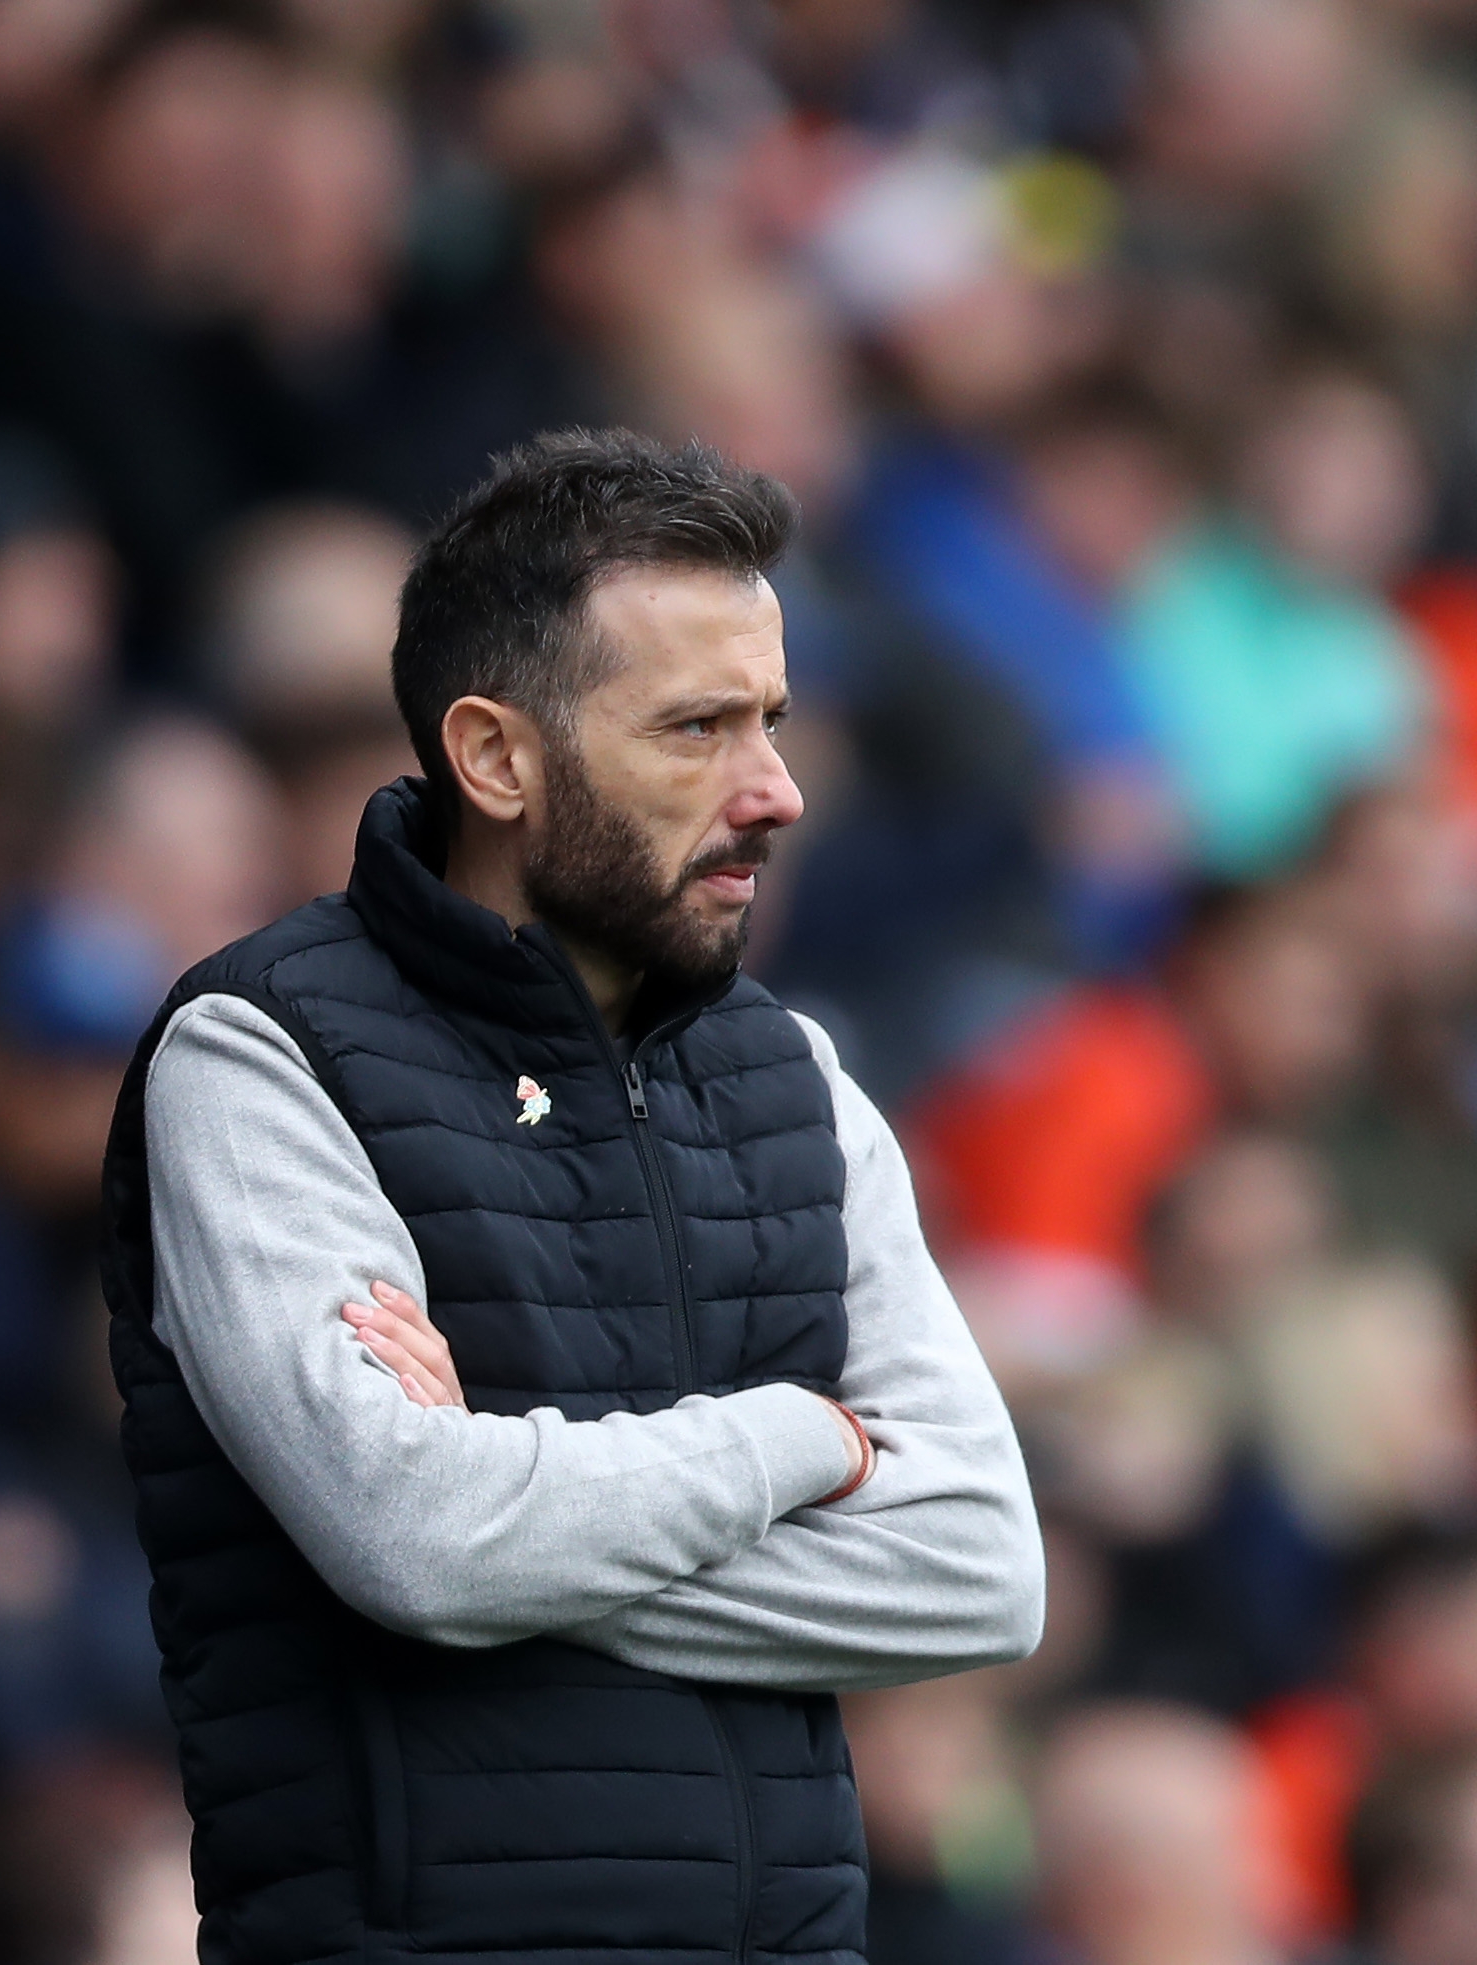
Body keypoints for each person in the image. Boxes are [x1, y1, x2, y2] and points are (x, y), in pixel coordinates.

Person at [97, 429, 1045, 1963]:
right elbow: (417, 1543)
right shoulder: (261, 1053)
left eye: (774, 722)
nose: (778, 791)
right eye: (697, 729)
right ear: (495, 758)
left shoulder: (796, 1077)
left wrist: (512, 1516)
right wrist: (800, 1438)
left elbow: (984, 1570)